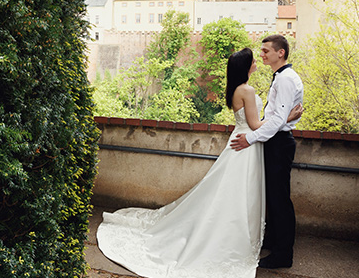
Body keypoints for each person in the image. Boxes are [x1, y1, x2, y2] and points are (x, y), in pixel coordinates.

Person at [97, 47, 302, 278]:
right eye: (253, 60)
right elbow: (256, 125)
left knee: (230, 192)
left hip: (239, 141)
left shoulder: (235, 89)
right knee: (239, 193)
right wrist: (287, 118)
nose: (257, 62)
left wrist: (273, 119)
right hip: (246, 144)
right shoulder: (247, 89)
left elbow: (253, 122)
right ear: (246, 67)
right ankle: (235, 236)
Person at [230, 34, 303, 270]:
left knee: (280, 198)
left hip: (280, 142)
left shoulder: (285, 80)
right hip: (273, 139)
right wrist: (285, 118)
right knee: (271, 196)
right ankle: (272, 240)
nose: (261, 55)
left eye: (266, 51)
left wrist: (250, 139)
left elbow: (276, 120)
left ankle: (283, 254)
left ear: (280, 53)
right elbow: (276, 118)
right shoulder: (280, 77)